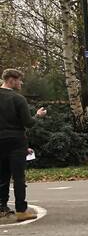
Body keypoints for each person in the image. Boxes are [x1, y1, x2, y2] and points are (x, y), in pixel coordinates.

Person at [0, 68, 47, 222]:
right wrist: (38, 116)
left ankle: (2, 208)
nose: (21, 83)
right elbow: (28, 122)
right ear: (11, 80)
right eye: (19, 80)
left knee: (2, 176)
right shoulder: (18, 99)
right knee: (19, 177)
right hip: (16, 141)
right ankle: (21, 210)